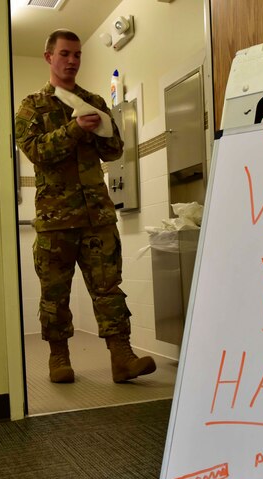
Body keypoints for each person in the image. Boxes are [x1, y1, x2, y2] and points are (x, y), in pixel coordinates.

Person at [14, 29, 155, 384]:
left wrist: (99, 130)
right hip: (54, 220)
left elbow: (114, 150)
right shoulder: (32, 105)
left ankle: (121, 357)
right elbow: (36, 152)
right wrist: (75, 130)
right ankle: (58, 358)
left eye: (77, 55)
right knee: (55, 295)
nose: (72, 61)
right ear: (49, 57)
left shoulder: (93, 101)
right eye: (65, 54)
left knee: (109, 288)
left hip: (97, 216)